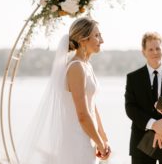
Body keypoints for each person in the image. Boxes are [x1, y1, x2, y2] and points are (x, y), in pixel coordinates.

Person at [18, 17, 110, 164]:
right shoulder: (76, 68)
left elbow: (92, 105)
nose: (102, 40)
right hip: (78, 141)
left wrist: (103, 137)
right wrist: (99, 143)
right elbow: (82, 114)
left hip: (89, 138)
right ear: (82, 39)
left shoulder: (86, 66)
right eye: (97, 35)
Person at [124, 32, 162, 164]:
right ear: (143, 52)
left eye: (158, 48)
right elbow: (130, 108)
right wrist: (153, 125)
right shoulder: (133, 78)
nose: (155, 52)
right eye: (150, 49)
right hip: (141, 142)